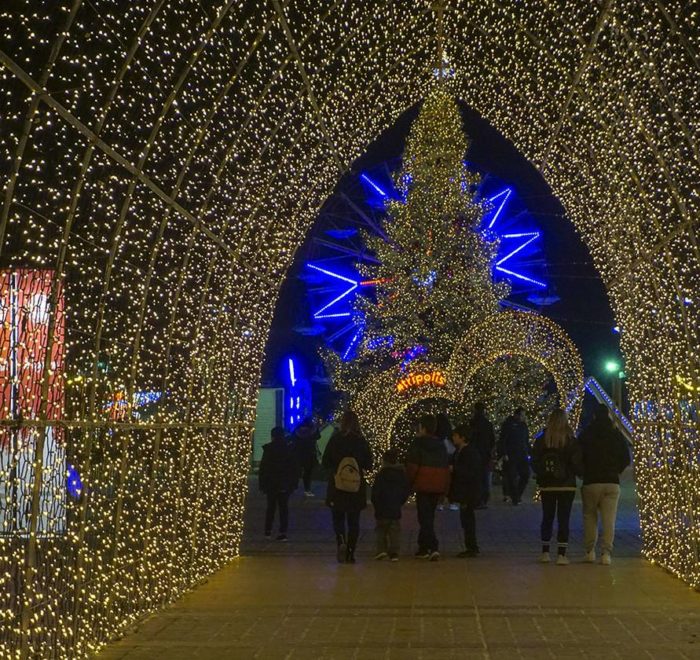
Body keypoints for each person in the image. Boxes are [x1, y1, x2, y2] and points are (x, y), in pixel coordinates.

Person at [578, 403, 631, 565]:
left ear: (594, 416)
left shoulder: (586, 434)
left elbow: (578, 456)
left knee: (589, 516)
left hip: (591, 481)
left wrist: (583, 473)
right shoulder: (616, 434)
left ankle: (589, 551)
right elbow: (626, 458)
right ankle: (606, 553)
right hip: (611, 481)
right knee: (609, 519)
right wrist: (616, 471)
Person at [322, 410, 373, 564]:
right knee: (353, 521)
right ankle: (350, 552)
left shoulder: (336, 439)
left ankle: (341, 541)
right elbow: (369, 464)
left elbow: (325, 461)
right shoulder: (361, 441)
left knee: (338, 517)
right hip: (355, 486)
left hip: (337, 485)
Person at [531, 409, 578, 565]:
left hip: (548, 485)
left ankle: (545, 552)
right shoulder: (570, 439)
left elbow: (534, 460)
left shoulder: (543, 439)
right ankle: (561, 555)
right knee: (564, 519)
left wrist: (542, 474)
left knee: (547, 517)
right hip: (566, 485)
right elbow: (576, 462)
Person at [405, 414, 450, 561]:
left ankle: (433, 546)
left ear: (422, 428)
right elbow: (445, 466)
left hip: (423, 484)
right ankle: (423, 547)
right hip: (437, 485)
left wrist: (409, 483)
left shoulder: (418, 443)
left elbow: (413, 466)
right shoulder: (441, 445)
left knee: (424, 518)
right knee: (428, 516)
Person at [258, 426, 300, 541]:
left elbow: (264, 468)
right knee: (283, 508)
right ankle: (283, 532)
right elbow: (294, 468)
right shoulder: (288, 449)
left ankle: (268, 531)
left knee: (270, 507)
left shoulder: (268, 450)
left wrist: (262, 484)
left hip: (271, 483)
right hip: (284, 483)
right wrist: (293, 484)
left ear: (273, 436)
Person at [371, 448, 411, 561]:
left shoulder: (381, 475)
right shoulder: (401, 474)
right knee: (394, 531)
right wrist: (400, 501)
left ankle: (381, 550)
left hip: (382, 507)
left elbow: (376, 493)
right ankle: (394, 553)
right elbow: (405, 490)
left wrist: (376, 504)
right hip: (395, 507)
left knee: (381, 530)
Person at [449, 424, 482, 557]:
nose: (453, 438)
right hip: (465, 491)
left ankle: (471, 547)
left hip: (469, 492)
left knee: (468, 520)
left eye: (455, 435)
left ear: (462, 438)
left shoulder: (469, 453)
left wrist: (455, 469)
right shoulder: (460, 451)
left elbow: (470, 473)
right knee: (466, 519)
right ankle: (471, 546)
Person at [499, 407, 531, 505]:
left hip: (522, 454)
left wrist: (528, 451)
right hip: (511, 454)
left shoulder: (523, 426)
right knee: (512, 477)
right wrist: (504, 453)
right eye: (522, 415)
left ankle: (517, 494)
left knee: (525, 475)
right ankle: (515, 498)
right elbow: (502, 440)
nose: (523, 417)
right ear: (516, 415)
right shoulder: (508, 425)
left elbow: (526, 440)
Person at [470, 402, 495, 508]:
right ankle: (483, 500)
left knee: (476, 478)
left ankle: (476, 499)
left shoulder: (472, 423)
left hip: (474, 453)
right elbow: (492, 440)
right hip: (485, 453)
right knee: (484, 478)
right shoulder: (488, 424)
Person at [293, 417, 320, 497]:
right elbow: (318, 436)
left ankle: (294, 487)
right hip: (309, 453)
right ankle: (307, 489)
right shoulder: (313, 430)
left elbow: (293, 436)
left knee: (296, 471)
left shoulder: (298, 429)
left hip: (298, 453)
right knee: (308, 472)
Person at [435, 413, 456, 510]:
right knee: (450, 482)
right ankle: (451, 502)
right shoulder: (449, 431)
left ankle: (440, 503)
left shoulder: (435, 434)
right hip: (449, 458)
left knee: (439, 481)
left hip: (438, 460)